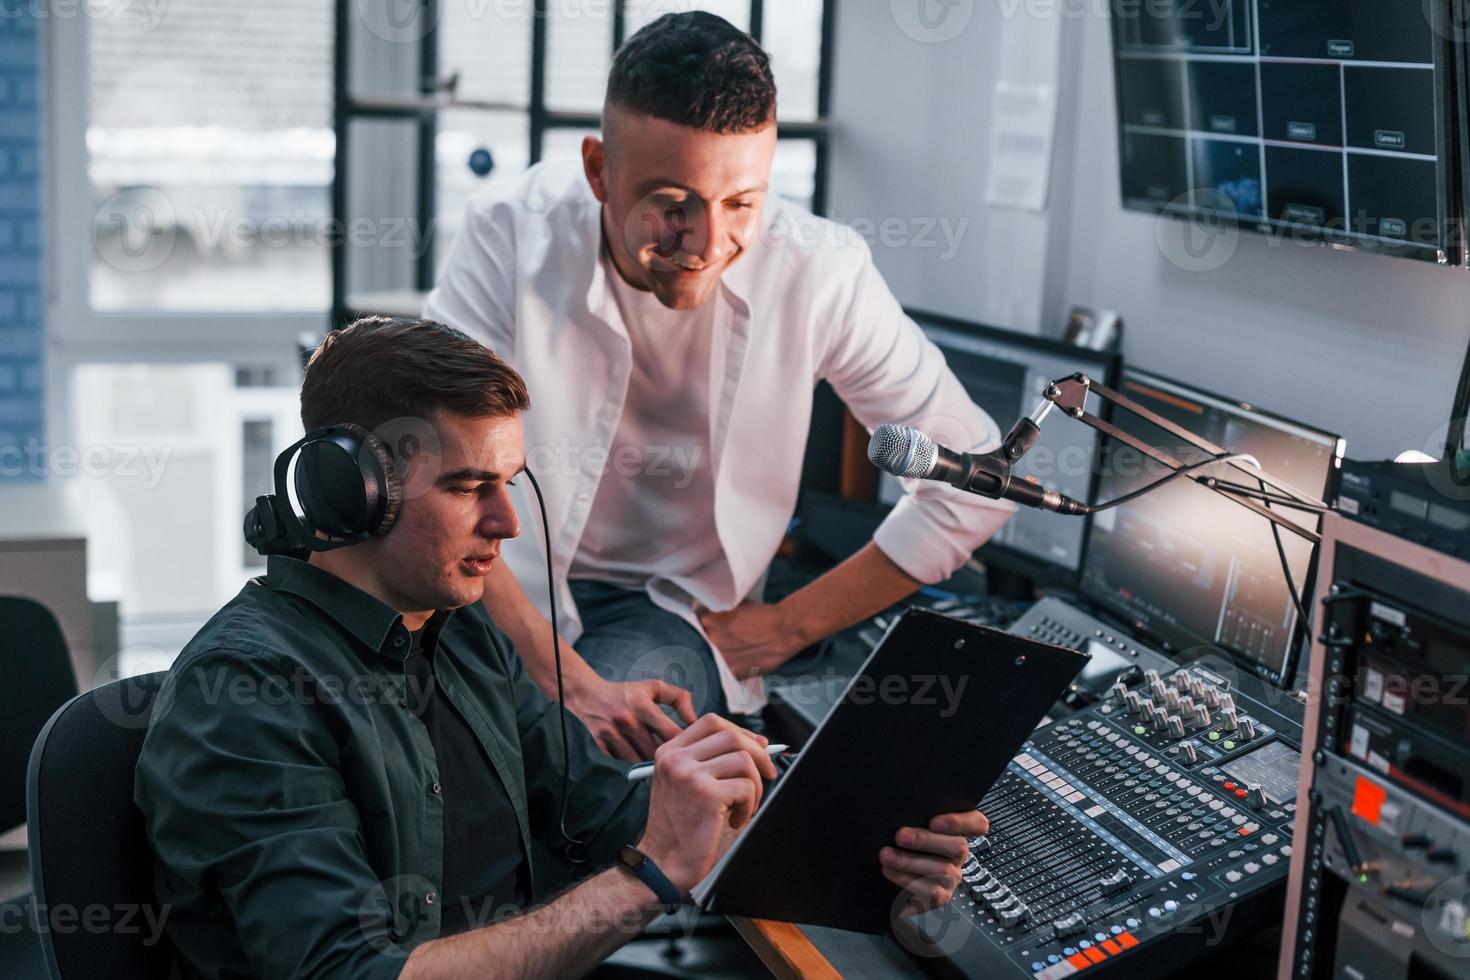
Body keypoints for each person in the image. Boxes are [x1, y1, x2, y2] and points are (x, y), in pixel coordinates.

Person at [134, 317, 991, 979]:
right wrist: (649, 876)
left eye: (510, 484)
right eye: (469, 487)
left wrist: (830, 824)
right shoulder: (242, 693)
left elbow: (589, 818)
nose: (507, 523)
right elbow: (355, 972)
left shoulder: (458, 630)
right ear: (350, 492)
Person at [425, 12, 1014, 761]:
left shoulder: (820, 270)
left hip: (669, 609)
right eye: (673, 203)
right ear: (599, 170)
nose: (707, 246)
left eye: (741, 203)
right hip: (497, 578)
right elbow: (444, 476)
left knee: (562, 762)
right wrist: (561, 674)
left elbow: (978, 480)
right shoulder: (509, 234)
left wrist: (787, 628)